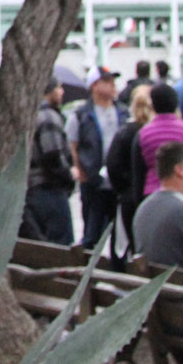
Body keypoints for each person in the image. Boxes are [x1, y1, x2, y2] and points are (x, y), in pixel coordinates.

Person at [66, 66, 126, 249]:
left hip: (118, 181)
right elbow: (72, 144)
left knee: (120, 237)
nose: (112, 86)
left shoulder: (122, 112)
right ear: (94, 85)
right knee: (92, 234)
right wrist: (81, 170)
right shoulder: (82, 114)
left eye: (113, 82)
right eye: (107, 82)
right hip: (93, 181)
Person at [22, 76, 75, 244]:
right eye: (58, 88)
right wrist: (68, 177)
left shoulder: (30, 115)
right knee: (60, 245)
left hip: (31, 190)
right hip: (49, 189)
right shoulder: (48, 117)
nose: (62, 92)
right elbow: (52, 155)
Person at [105, 86, 154, 257]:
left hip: (128, 197)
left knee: (132, 247)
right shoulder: (150, 133)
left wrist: (125, 189)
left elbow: (112, 165)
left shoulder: (125, 132)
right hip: (149, 194)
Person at [133, 140, 183, 267]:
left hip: (156, 285)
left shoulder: (143, 208)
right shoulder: (181, 210)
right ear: (180, 170)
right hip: (178, 285)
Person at [132, 81, 183, 199]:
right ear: (176, 103)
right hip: (182, 191)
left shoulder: (143, 134)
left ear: (152, 105)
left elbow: (138, 173)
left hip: (152, 194)